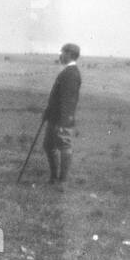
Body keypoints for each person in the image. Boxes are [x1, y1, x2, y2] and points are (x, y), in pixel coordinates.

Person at [43, 43, 82, 185]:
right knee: (48, 145)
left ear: (70, 54)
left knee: (64, 147)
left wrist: (64, 122)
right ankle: (54, 177)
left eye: (62, 52)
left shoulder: (71, 73)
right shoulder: (67, 72)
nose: (60, 55)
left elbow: (68, 101)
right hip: (54, 118)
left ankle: (62, 181)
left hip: (62, 120)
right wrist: (48, 112)